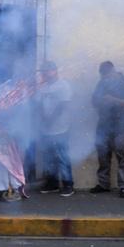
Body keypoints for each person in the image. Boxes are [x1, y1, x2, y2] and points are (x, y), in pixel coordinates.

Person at [90, 61, 124, 198]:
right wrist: (100, 101)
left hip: (121, 125)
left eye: (106, 75)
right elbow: (93, 102)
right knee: (103, 155)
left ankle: (123, 185)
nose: (105, 78)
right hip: (103, 124)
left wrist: (114, 100)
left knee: (121, 153)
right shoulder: (102, 83)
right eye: (103, 76)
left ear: (113, 71)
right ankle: (103, 184)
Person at [37, 61, 74, 197]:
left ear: (54, 71)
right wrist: (42, 119)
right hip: (46, 129)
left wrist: (50, 119)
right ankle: (52, 183)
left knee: (62, 156)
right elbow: (39, 104)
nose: (44, 74)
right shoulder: (43, 87)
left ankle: (68, 184)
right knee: (48, 157)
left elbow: (63, 105)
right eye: (43, 71)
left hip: (60, 128)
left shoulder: (63, 85)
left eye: (47, 71)